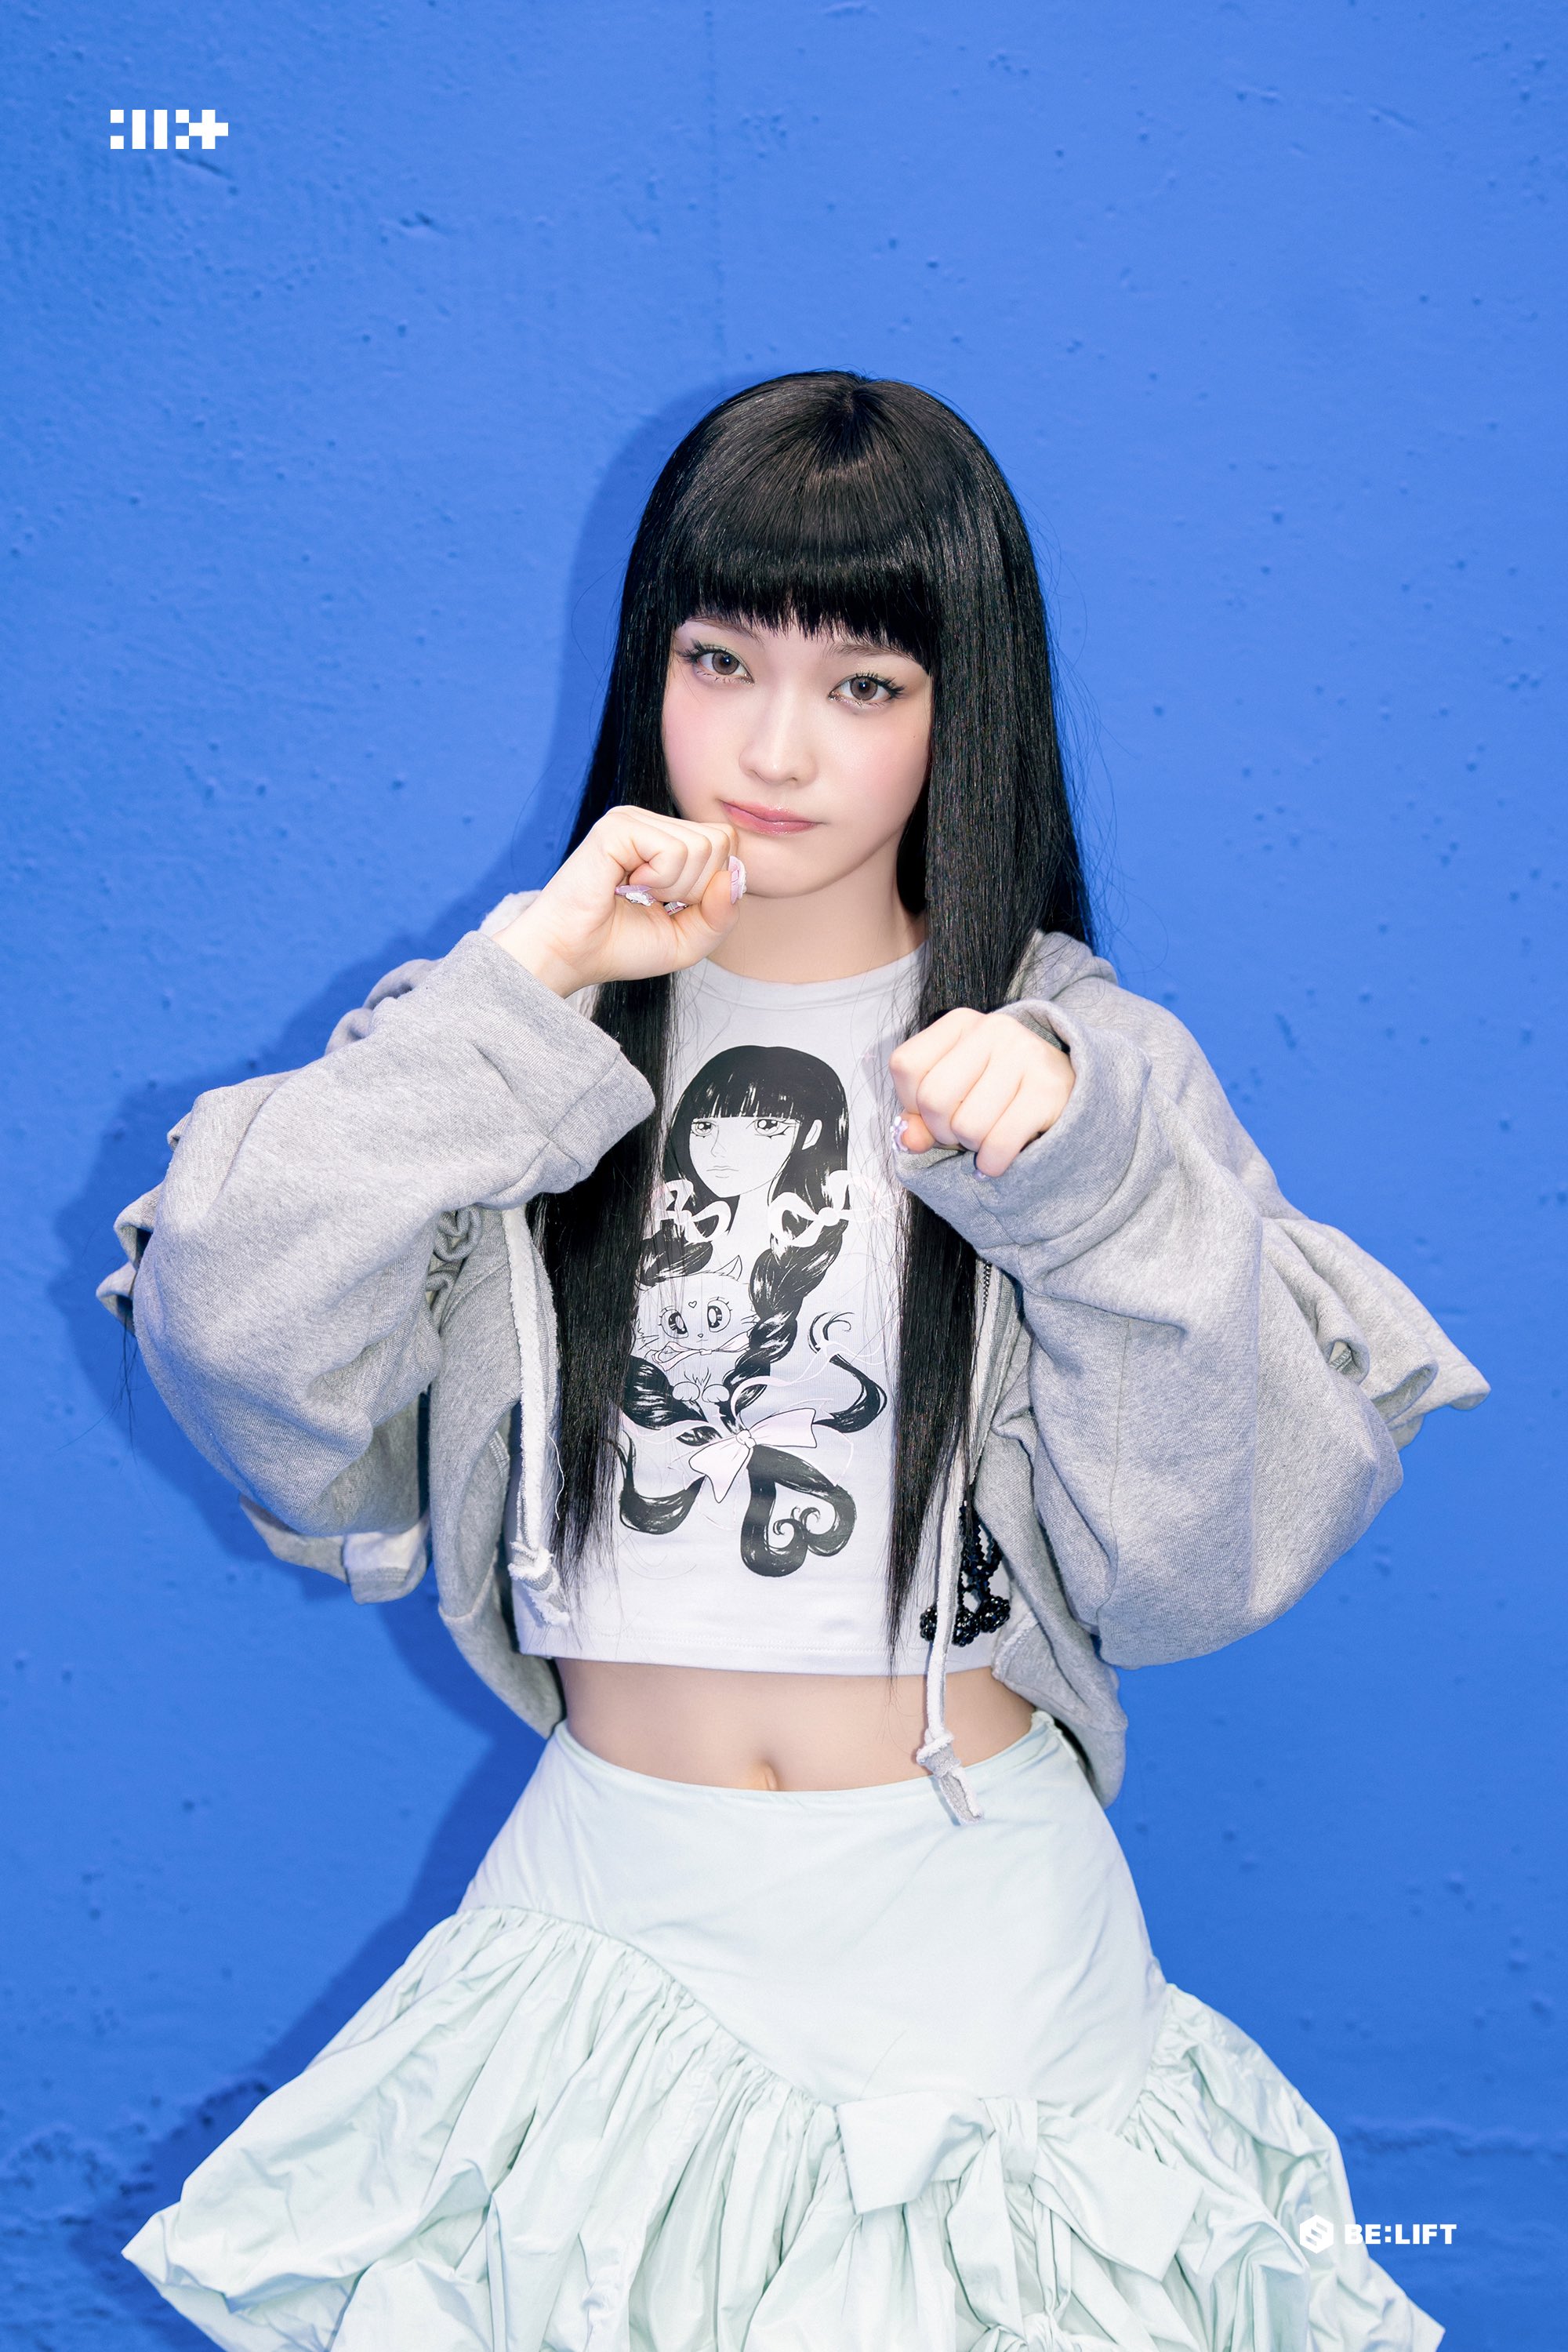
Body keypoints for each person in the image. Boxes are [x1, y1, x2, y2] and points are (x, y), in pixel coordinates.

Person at [100, 371, 1486, 2350]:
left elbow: (1197, 1576)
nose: (772, 745)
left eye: (862, 684)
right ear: (647, 668)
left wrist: (1084, 1185)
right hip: (597, 1933)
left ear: (960, 708)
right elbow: (237, 1353)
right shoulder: (516, 1033)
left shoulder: (1081, 1070)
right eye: (718, 658)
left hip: (967, 1938)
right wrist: (520, 995)